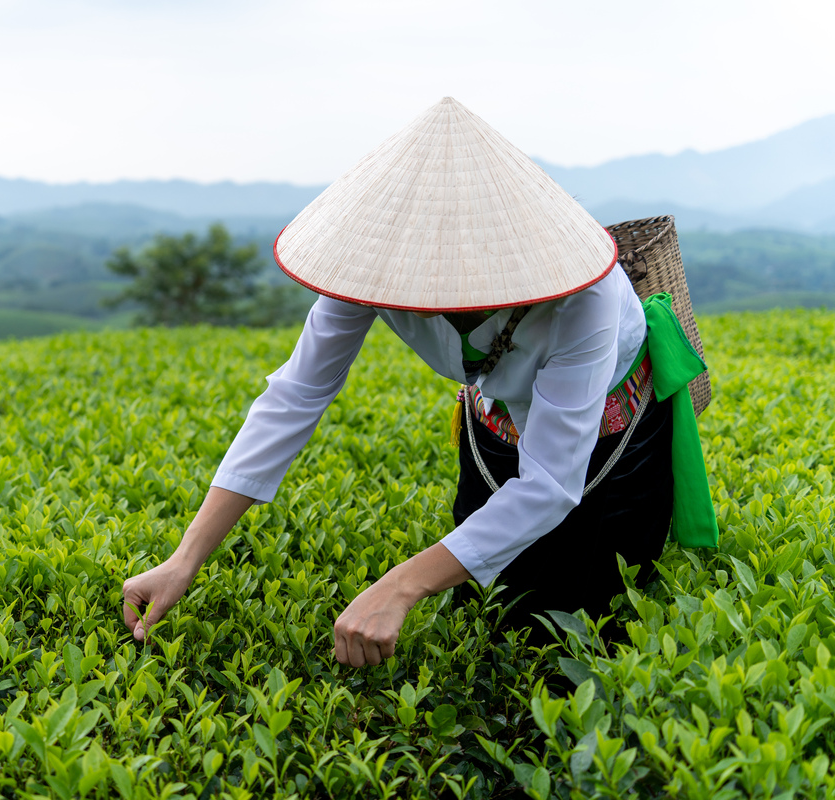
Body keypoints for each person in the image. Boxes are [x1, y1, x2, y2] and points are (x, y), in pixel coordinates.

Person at [121, 98, 717, 666]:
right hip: (494, 421)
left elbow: (553, 483)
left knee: (584, 625)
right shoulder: (368, 271)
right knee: (490, 613)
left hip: (609, 433)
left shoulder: (585, 296)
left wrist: (398, 586)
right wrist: (185, 557)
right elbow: (295, 397)